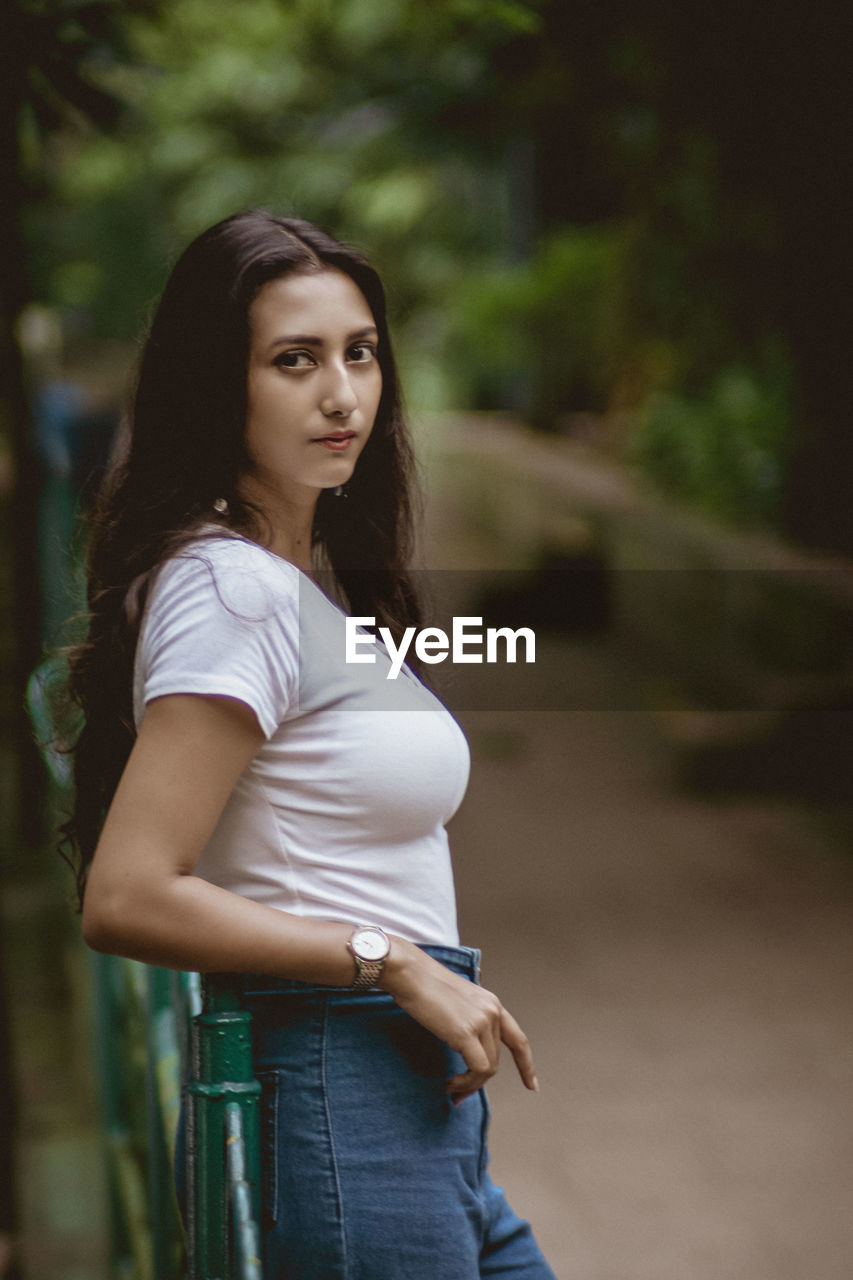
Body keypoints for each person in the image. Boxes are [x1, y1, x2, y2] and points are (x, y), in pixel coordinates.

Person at [62, 209, 556, 1278]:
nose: (342, 393)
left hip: (402, 1115)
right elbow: (128, 893)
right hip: (340, 1101)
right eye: (295, 360)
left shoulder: (282, 582)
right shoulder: (233, 591)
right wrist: (392, 960)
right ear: (217, 385)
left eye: (360, 352)